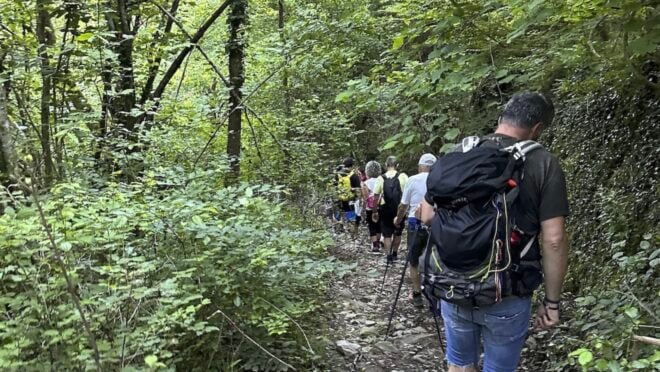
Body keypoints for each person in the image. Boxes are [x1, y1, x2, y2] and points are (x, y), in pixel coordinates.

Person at [420, 92, 569, 372]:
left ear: (502, 117)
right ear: (536, 129)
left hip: (453, 283)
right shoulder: (542, 163)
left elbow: (427, 215)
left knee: (459, 364)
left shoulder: (459, 153)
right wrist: (551, 302)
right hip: (507, 291)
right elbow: (554, 239)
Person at [393, 153, 436, 307]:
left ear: (420, 166)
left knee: (414, 259)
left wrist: (398, 220)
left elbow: (403, 205)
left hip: (415, 223)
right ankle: (434, 296)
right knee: (434, 259)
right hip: (435, 223)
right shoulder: (439, 178)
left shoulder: (412, 180)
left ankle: (417, 294)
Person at [373, 156, 408, 264]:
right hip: (399, 208)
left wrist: (375, 211)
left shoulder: (381, 178)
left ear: (386, 165)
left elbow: (375, 196)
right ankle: (395, 253)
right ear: (397, 165)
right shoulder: (403, 176)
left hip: (385, 208)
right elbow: (407, 193)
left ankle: (388, 256)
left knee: (387, 234)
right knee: (398, 233)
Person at [335, 157, 362, 237]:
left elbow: (335, 187)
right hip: (351, 200)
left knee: (338, 216)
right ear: (352, 165)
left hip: (340, 199)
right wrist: (359, 200)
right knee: (352, 218)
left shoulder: (338, 175)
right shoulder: (354, 176)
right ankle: (353, 236)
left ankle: (338, 233)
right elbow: (358, 190)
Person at [362, 160, 383, 252]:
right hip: (380, 205)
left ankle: (374, 244)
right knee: (379, 224)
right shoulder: (382, 181)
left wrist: (363, 207)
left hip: (370, 207)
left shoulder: (365, 183)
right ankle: (378, 241)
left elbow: (365, 197)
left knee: (371, 225)